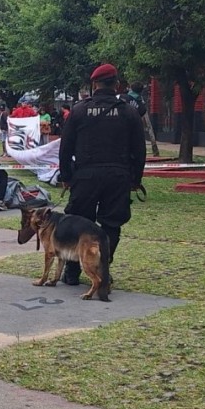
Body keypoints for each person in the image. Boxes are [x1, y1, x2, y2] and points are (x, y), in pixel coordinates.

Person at [59, 63, 146, 285]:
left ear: (94, 84)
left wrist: (66, 176)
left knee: (78, 222)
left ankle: (72, 271)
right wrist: (135, 179)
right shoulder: (129, 112)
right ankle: (102, 269)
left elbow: (65, 148)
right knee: (111, 225)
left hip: (85, 176)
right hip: (118, 177)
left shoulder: (79, 110)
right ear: (117, 84)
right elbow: (139, 150)